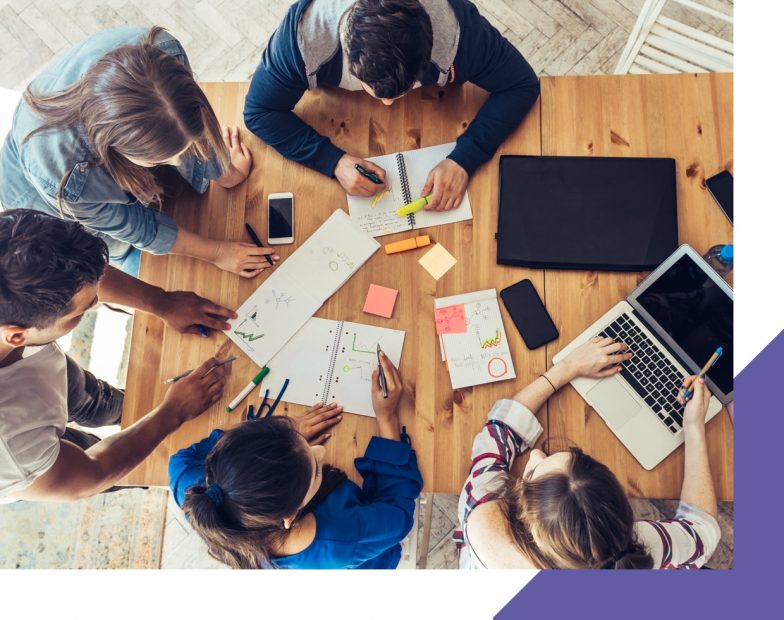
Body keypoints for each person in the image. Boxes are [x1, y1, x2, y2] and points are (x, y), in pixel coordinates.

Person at [0, 26, 276, 278]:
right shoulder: (69, 179)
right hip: (37, 193)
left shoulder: (163, 51)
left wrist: (224, 171)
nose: (179, 161)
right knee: (125, 254)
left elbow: (182, 121)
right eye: (162, 159)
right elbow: (140, 229)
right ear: (115, 150)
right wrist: (218, 253)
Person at [0, 209, 234, 502]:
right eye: (83, 310)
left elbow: (81, 276)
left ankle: (122, 409)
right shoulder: (11, 445)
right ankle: (150, 477)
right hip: (36, 456)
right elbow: (90, 475)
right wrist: (173, 412)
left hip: (31, 373)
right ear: (17, 335)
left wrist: (162, 302)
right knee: (120, 466)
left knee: (93, 397)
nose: (98, 301)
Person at [244, 0, 539, 211]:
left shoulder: (463, 35)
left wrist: (465, 158)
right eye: (373, 90)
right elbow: (258, 112)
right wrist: (331, 160)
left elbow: (522, 84)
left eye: (404, 90)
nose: (387, 104)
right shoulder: (301, 42)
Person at [455, 337, 722, 570]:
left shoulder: (481, 506)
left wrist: (567, 367)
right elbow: (702, 533)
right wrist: (693, 425)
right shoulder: (639, 550)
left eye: (535, 471)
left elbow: (500, 430)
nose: (535, 453)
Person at [169, 352, 423, 569]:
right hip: (367, 550)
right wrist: (388, 419)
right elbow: (398, 513)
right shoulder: (341, 537)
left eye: (297, 437)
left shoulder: (193, 488)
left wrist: (278, 436)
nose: (320, 451)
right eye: (316, 471)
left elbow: (179, 460)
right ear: (290, 515)